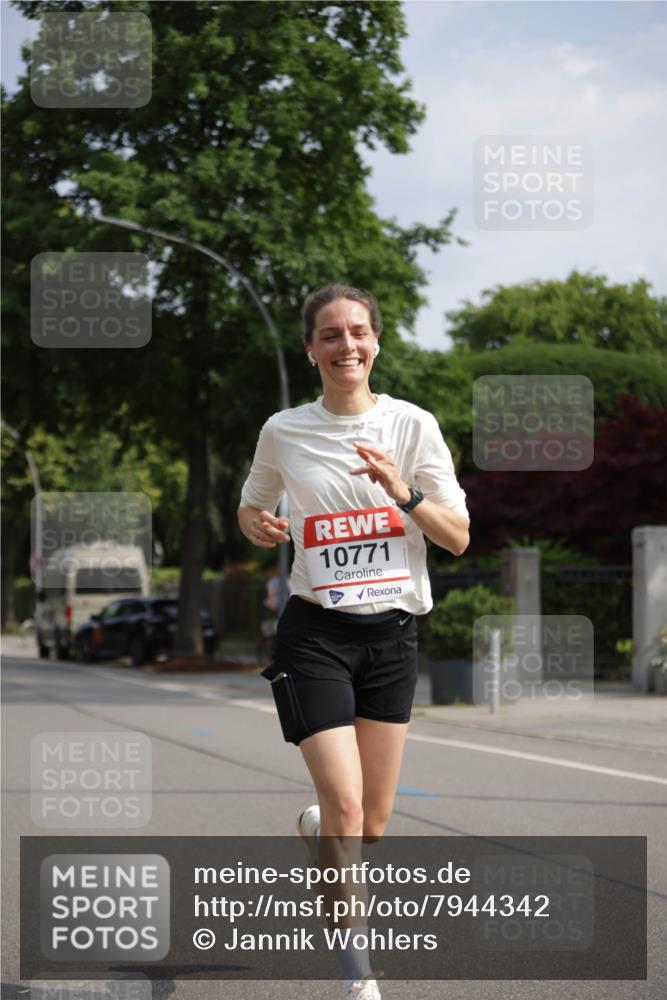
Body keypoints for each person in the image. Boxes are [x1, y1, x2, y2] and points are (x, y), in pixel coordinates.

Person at [237, 283, 470, 1000]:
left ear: (376, 341)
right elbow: (252, 506)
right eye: (330, 335)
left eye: (358, 332)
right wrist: (258, 525)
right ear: (310, 348)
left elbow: (458, 539)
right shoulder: (283, 430)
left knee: (368, 824)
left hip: (392, 635)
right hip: (315, 635)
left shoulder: (412, 426)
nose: (347, 346)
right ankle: (358, 980)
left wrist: (401, 491)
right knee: (343, 805)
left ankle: (321, 830)